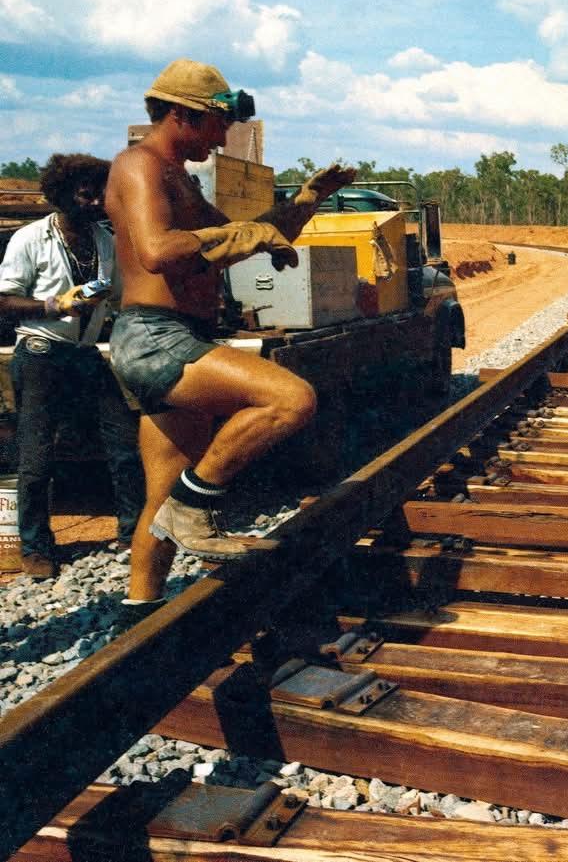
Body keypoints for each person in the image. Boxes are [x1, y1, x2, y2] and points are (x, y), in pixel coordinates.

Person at [104, 58, 354, 614]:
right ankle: (197, 510)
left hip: (173, 336)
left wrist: (309, 198)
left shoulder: (179, 177)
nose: (222, 138)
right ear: (180, 115)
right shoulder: (139, 166)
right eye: (217, 124)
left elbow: (257, 234)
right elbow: (157, 250)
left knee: (162, 499)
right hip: (156, 337)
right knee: (291, 398)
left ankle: (138, 618)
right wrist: (245, 233)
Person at [0, 154, 144, 579]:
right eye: (86, 193)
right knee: (37, 456)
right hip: (42, 354)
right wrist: (54, 304)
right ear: (62, 195)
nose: (96, 201)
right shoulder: (30, 239)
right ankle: (36, 548)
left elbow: (120, 297)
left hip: (84, 355)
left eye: (102, 193)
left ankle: (133, 533)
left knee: (123, 443)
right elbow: (4, 301)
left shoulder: (105, 240)